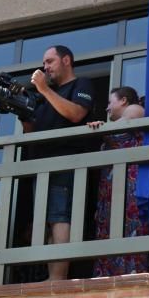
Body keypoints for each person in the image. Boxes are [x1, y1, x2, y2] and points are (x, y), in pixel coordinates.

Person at [22, 45, 96, 281]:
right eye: (44, 62)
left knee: (60, 217)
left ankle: (58, 279)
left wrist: (43, 90)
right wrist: (22, 112)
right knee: (48, 221)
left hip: (64, 162)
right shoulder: (45, 95)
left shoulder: (81, 84)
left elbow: (76, 114)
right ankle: (53, 275)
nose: (45, 67)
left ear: (66, 60)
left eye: (50, 61)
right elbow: (31, 132)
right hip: (41, 165)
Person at [87, 86, 148, 276]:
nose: (107, 108)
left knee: (130, 226)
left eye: (109, 102)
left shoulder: (135, 109)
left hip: (129, 184)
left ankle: (131, 271)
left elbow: (125, 124)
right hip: (113, 188)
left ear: (123, 101)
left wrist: (102, 128)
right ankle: (112, 272)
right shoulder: (116, 119)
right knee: (112, 227)